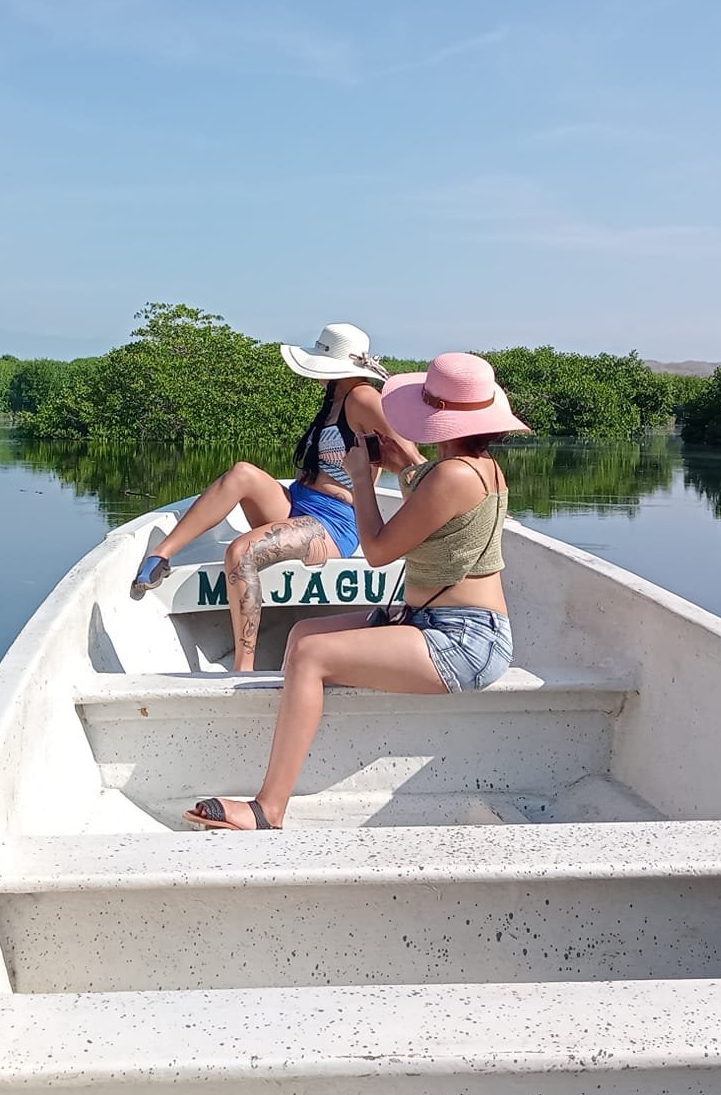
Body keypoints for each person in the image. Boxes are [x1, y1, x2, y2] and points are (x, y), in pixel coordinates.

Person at [183, 352, 524, 831]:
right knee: (302, 632)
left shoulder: (453, 476)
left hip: (464, 640)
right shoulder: (475, 467)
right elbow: (422, 502)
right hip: (431, 619)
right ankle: (286, 750)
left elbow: (380, 549)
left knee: (312, 656)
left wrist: (361, 477)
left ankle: (268, 809)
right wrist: (399, 460)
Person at [130, 322, 420, 675]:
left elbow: (408, 453)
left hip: (333, 523)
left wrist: (423, 505)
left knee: (240, 552)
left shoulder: (362, 397)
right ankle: (161, 555)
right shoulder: (334, 399)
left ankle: (243, 667)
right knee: (242, 473)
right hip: (298, 502)